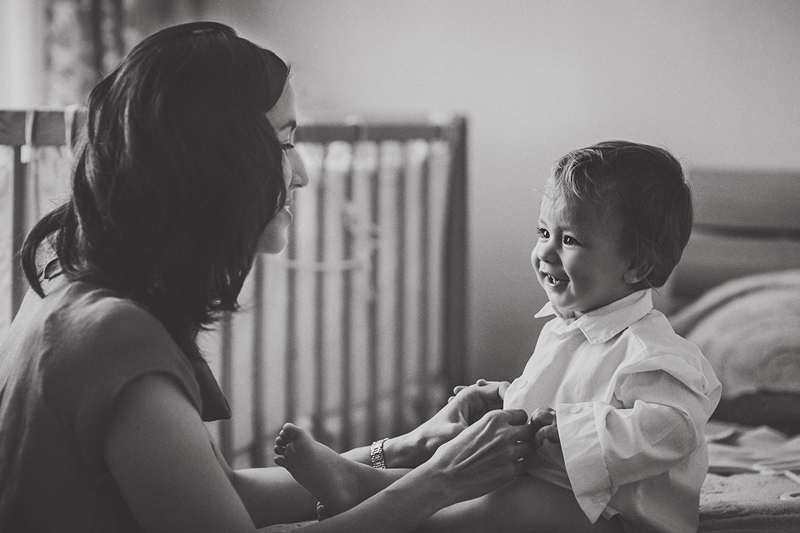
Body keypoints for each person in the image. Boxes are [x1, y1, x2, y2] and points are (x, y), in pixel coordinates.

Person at [0, 21, 539, 533]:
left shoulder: (68, 285)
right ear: (214, 162)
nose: (301, 174)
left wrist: (407, 448)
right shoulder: (118, 338)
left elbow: (226, 491)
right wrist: (444, 482)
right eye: (284, 144)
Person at [274, 141, 722, 533]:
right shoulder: (563, 328)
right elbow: (565, 394)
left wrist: (571, 429)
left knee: (520, 501)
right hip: (559, 494)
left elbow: (675, 427)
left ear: (637, 266)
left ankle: (406, 519)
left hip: (620, 520)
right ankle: (365, 485)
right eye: (544, 232)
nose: (545, 251)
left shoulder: (654, 352)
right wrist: (514, 400)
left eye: (570, 240)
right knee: (480, 470)